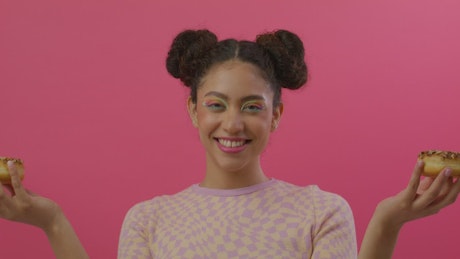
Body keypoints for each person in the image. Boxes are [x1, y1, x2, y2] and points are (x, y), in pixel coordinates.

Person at [1, 29, 459, 259]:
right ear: (193, 110)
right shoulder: (148, 219)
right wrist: (53, 222)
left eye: (253, 107)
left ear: (276, 114)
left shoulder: (321, 212)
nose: (233, 123)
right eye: (216, 104)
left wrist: (387, 221)